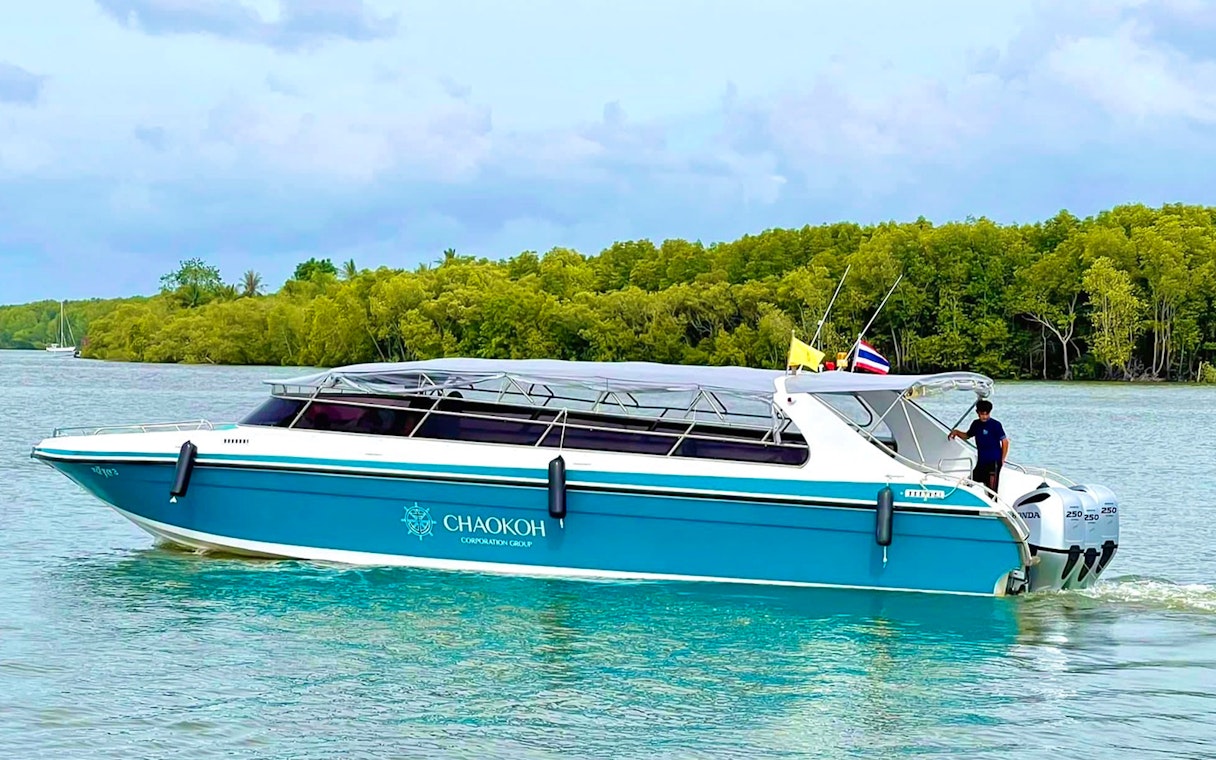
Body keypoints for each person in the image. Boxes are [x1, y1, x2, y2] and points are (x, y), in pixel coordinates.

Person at [947, 399, 1008, 491]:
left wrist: (1002, 459)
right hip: (981, 462)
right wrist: (956, 432)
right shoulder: (976, 424)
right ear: (977, 412)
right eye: (982, 414)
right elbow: (967, 435)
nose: (984, 416)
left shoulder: (996, 425)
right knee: (968, 483)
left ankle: (993, 502)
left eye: (986, 414)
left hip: (993, 462)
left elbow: (1005, 442)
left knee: (992, 490)